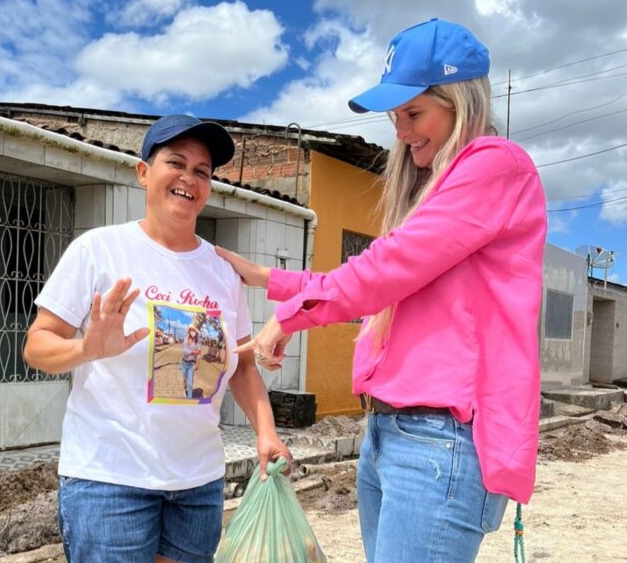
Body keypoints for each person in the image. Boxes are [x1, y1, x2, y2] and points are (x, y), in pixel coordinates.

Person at [216, 18, 546, 563]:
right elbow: (382, 278)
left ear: (461, 101)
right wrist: (266, 278)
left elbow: (385, 271)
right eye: (396, 116)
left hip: (438, 439)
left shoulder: (495, 167)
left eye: (413, 113)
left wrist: (288, 317)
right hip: (391, 431)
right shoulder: (439, 192)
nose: (400, 131)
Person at [23, 114, 291, 563]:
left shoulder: (223, 271)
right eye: (176, 163)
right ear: (144, 172)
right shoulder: (99, 250)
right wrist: (86, 349)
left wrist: (266, 432)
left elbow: (242, 364)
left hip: (198, 485)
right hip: (110, 480)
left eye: (202, 171)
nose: (189, 178)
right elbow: (37, 345)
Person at [180, 324, 202, 398]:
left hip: (191, 364)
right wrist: (193, 352)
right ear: (189, 331)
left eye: (194, 330)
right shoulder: (186, 339)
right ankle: (186, 392)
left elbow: (199, 352)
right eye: (191, 330)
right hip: (184, 363)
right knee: (185, 381)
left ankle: (189, 398)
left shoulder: (198, 341)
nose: (192, 332)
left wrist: (197, 364)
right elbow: (184, 350)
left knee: (190, 382)